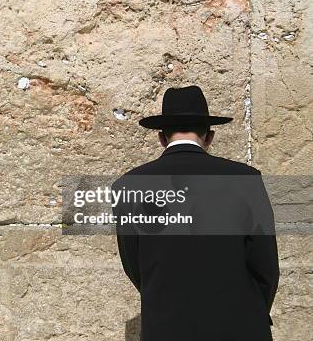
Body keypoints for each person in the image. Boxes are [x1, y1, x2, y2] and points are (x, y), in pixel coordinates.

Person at [115, 86, 279, 341]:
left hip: (167, 328)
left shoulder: (129, 185)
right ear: (209, 136)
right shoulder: (245, 179)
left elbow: (134, 265)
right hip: (241, 327)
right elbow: (266, 266)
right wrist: (249, 313)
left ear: (162, 138)